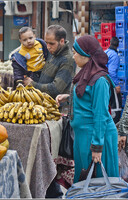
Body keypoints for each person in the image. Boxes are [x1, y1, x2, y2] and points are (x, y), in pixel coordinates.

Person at [56, 35, 119, 183]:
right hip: (82, 136)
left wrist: (97, 147)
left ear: (86, 55)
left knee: (99, 184)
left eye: (75, 52)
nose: (74, 55)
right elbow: (86, 99)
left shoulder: (100, 80)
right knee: (84, 179)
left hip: (96, 136)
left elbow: (100, 115)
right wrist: (68, 97)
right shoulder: (85, 74)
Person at [23, 25, 76, 99]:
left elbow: (55, 89)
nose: (48, 47)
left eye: (51, 43)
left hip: (56, 106)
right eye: (46, 43)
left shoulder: (67, 60)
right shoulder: (52, 52)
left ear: (62, 41)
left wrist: (32, 84)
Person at [105, 37, 122, 123]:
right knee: (116, 104)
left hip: (104, 82)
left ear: (110, 43)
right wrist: (116, 85)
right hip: (110, 82)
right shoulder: (114, 56)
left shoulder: (106, 52)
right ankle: (115, 124)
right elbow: (111, 72)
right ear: (118, 45)